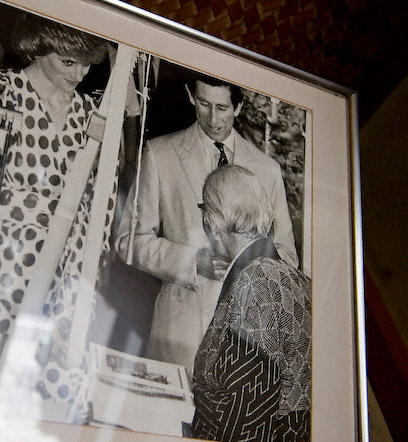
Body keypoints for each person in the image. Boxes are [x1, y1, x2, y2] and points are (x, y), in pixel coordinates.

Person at [0, 13, 111, 410]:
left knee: (36, 391)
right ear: (38, 45)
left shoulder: (89, 116)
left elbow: (98, 205)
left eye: (86, 64)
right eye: (67, 62)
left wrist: (84, 282)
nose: (79, 73)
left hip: (60, 272)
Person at [115, 73, 298, 375]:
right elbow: (128, 240)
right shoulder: (160, 154)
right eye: (204, 104)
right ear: (191, 96)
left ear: (238, 107)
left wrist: (249, 265)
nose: (213, 118)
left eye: (223, 108)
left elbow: (287, 257)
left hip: (246, 341)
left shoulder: (267, 170)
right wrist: (190, 261)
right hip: (179, 335)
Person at [192, 165, 311, 441]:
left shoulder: (255, 282)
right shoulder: (294, 278)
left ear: (213, 220)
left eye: (203, 209)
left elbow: (247, 414)